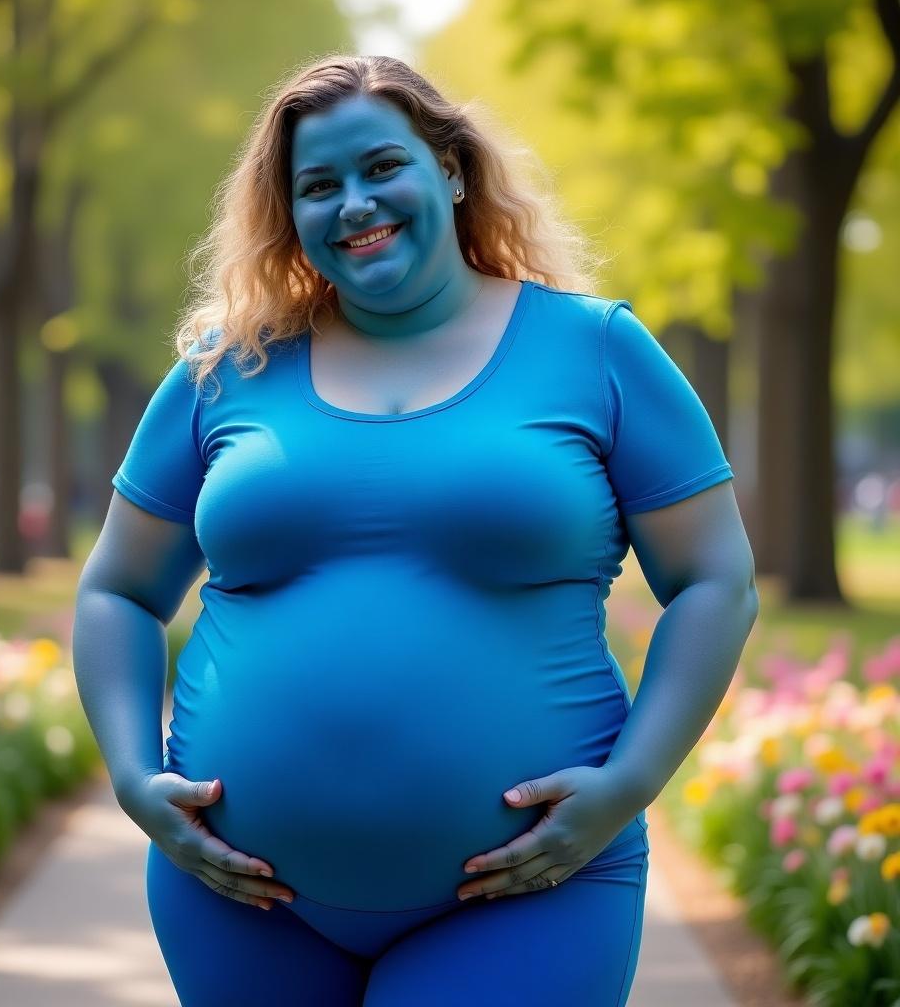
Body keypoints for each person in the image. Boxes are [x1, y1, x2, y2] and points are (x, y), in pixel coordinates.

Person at [73, 54, 759, 1006]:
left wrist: (631, 783)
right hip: (237, 895)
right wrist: (130, 775)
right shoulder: (225, 369)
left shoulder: (593, 348)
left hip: (530, 892)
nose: (354, 203)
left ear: (450, 167)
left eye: (381, 167)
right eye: (318, 185)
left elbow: (716, 578)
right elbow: (118, 589)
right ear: (289, 213)